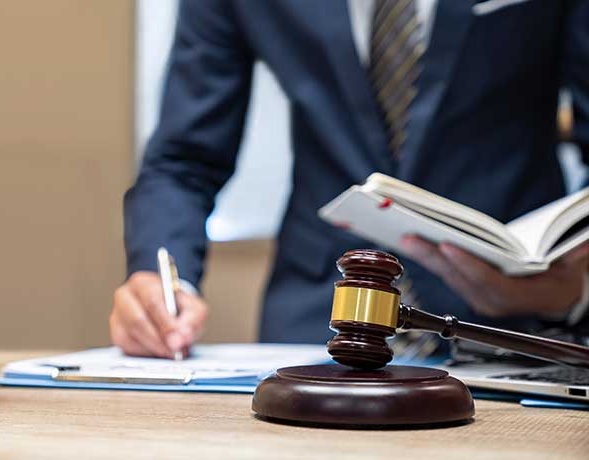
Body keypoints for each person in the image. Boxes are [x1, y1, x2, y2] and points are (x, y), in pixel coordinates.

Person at [111, 0, 589, 358]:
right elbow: (183, 160)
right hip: (315, 328)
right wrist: (164, 283)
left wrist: (576, 288)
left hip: (518, 330)